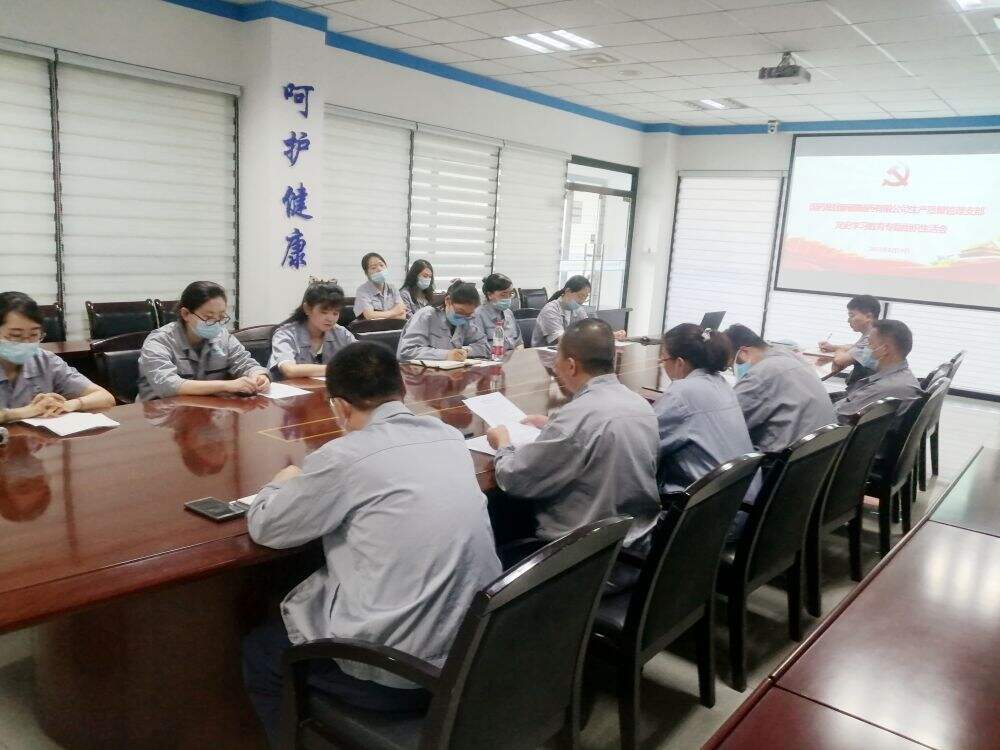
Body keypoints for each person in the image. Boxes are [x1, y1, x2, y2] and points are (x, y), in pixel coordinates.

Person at [242, 342, 502, 746]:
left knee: (261, 653)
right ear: (402, 390)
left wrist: (278, 485)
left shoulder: (345, 456)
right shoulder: (449, 436)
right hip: (471, 654)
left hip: (400, 676)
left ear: (341, 407)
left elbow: (268, 527)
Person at [487, 318, 660, 550]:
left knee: (499, 513)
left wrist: (503, 443)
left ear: (571, 365)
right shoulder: (640, 404)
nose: (554, 365)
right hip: (637, 539)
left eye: (556, 357)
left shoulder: (576, 417)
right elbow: (592, 431)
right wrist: (553, 425)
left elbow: (514, 478)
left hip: (583, 552)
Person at [654, 323, 754, 495]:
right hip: (739, 497)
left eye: (664, 359)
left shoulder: (682, 394)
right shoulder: (722, 384)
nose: (662, 365)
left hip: (704, 504)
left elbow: (644, 442)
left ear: (679, 363)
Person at [137, 281, 270, 401]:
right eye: (208, 317)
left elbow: (245, 363)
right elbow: (168, 385)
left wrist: (259, 376)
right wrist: (226, 385)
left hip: (205, 410)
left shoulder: (223, 337)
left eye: (221, 317)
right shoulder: (159, 341)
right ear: (185, 314)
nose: (216, 323)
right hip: (159, 413)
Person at [0, 291, 115, 423]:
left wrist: (69, 404)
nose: (26, 343)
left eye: (34, 335)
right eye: (15, 335)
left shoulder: (45, 361)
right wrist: (23, 412)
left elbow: (105, 398)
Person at [725, 324, 836, 453]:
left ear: (744, 352)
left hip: (788, 458)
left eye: (732, 365)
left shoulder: (760, 375)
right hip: (824, 449)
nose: (734, 370)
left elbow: (727, 423)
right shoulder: (791, 356)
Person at [836, 319, 923, 420]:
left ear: (885, 349)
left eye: (869, 344)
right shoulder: (901, 376)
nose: (866, 349)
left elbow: (837, 418)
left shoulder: (885, 388)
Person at [268, 282, 356, 380]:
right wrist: (339, 369)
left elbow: (364, 357)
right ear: (307, 309)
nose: (330, 319)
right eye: (324, 312)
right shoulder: (285, 333)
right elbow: (289, 370)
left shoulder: (341, 333)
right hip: (289, 388)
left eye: (335, 313)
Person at [397, 280, 490, 361]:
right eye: (460, 312)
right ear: (448, 301)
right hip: (417, 372)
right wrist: (446, 355)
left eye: (468, 314)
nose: (463, 317)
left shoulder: (465, 320)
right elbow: (407, 351)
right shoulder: (426, 316)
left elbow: (484, 346)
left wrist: (465, 351)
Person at [531, 275, 625, 347]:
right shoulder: (551, 309)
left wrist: (610, 335)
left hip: (567, 353)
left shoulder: (577, 309)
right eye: (580, 296)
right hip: (541, 357)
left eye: (585, 297)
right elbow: (563, 340)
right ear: (568, 291)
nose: (582, 301)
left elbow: (588, 329)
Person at [818, 295, 881, 385]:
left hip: (863, 390)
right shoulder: (872, 334)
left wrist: (840, 350)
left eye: (852, 315)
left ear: (868, 316)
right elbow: (855, 347)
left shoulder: (871, 339)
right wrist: (833, 347)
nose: (848, 320)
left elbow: (840, 360)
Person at [473, 273, 523, 354]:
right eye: (503, 295)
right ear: (489, 295)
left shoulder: (508, 313)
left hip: (512, 357)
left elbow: (519, 342)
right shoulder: (478, 315)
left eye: (510, 294)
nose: (508, 298)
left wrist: (519, 352)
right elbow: (480, 348)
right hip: (491, 358)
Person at [354, 252, 406, 321]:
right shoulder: (362, 290)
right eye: (373, 268)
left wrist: (378, 315)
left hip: (393, 327)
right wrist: (394, 312)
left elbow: (403, 315)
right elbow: (369, 315)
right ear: (366, 273)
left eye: (381, 265)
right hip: (371, 327)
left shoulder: (393, 288)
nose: (379, 269)